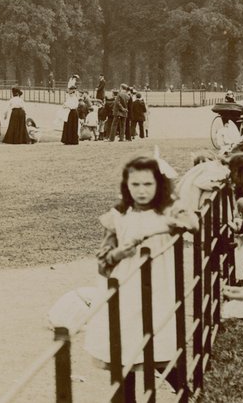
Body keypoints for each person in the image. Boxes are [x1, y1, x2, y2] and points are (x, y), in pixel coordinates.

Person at [83, 157, 194, 389]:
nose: (141, 191)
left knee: (158, 345)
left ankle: (188, 393)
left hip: (158, 290)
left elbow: (192, 223)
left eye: (148, 184)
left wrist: (161, 227)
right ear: (126, 185)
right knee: (124, 352)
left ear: (159, 184)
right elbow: (103, 264)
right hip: (125, 289)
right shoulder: (119, 215)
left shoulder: (169, 209)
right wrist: (119, 253)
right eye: (135, 185)